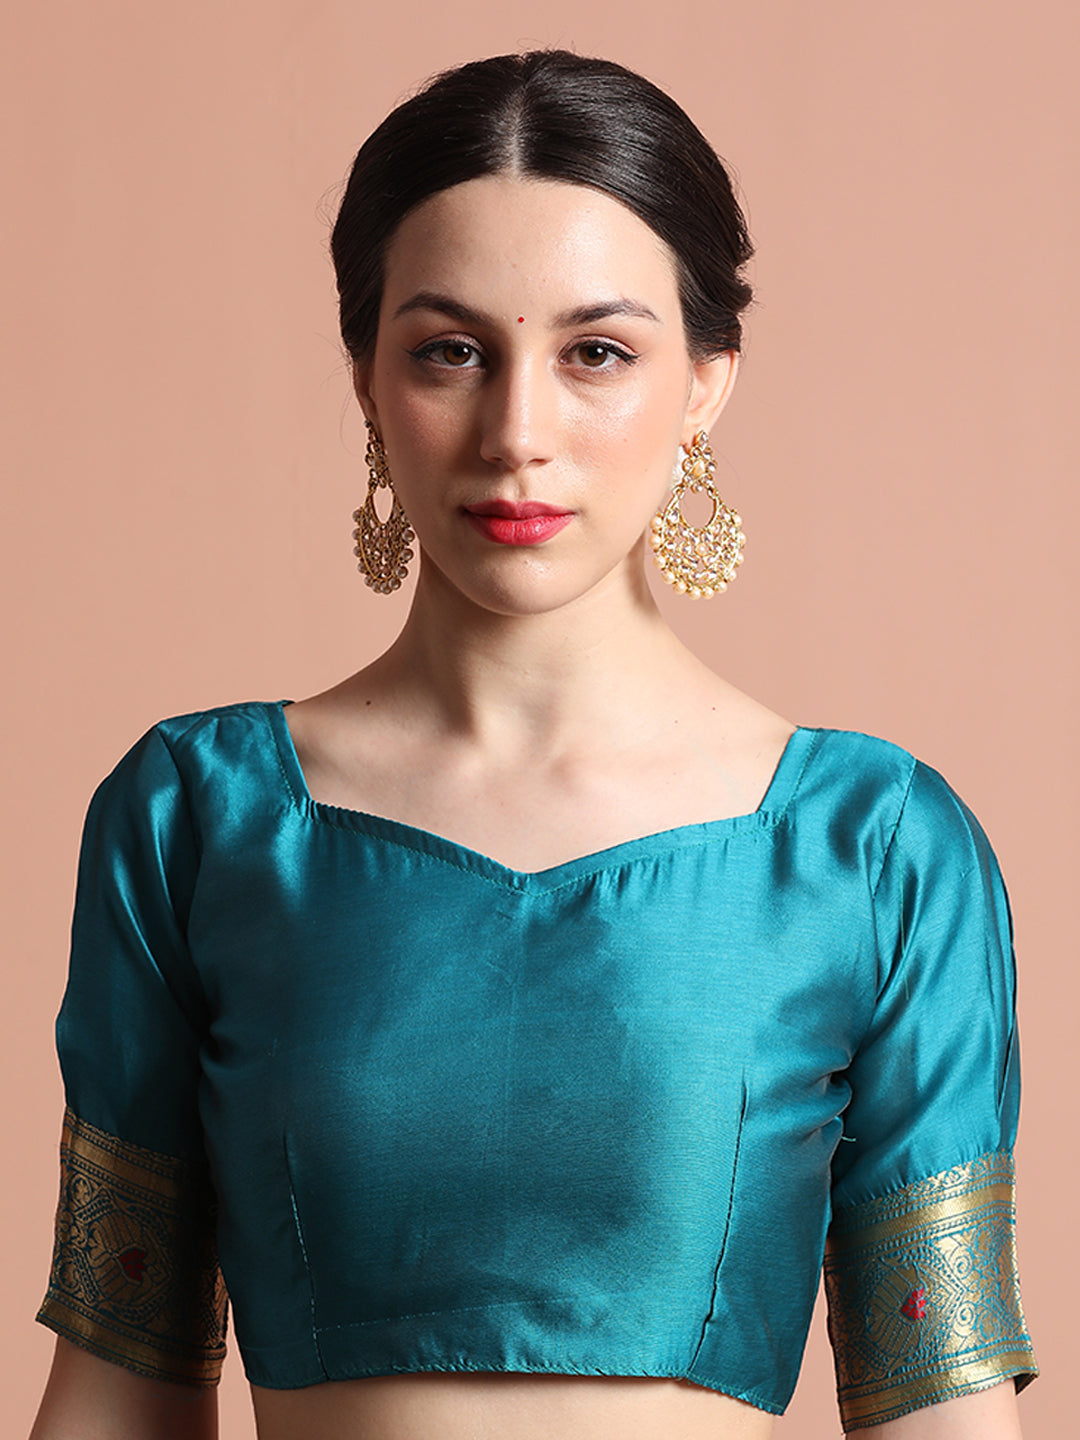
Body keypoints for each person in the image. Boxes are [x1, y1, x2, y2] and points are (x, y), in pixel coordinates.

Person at [30, 49, 1037, 1440]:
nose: (518, 433)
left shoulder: (874, 850)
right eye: (450, 352)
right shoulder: (198, 821)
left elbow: (947, 1417)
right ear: (366, 378)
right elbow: (114, 1397)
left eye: (596, 354)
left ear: (707, 383)